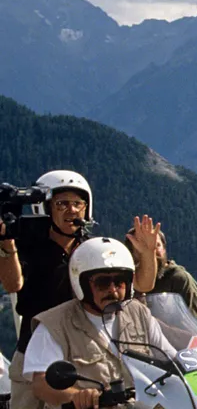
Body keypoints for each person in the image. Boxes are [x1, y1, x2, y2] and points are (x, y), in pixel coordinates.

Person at [0, 171, 159, 409]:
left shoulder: (91, 249)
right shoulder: (28, 246)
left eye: (77, 204)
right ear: (46, 208)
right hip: (37, 349)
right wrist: (7, 245)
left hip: (84, 347)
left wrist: (148, 254)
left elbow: (141, 286)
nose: (72, 210)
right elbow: (13, 285)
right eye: (62, 204)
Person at [22, 237, 178, 409]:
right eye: (102, 283)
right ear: (82, 285)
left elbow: (171, 359)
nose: (112, 290)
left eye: (119, 282)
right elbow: (41, 383)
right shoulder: (55, 324)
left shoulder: (138, 312)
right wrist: (78, 396)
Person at [124, 227, 197, 318]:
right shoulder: (124, 282)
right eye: (144, 246)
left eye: (157, 245)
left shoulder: (180, 280)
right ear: (131, 253)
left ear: (164, 249)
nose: (151, 252)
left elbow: (192, 328)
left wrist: (152, 324)